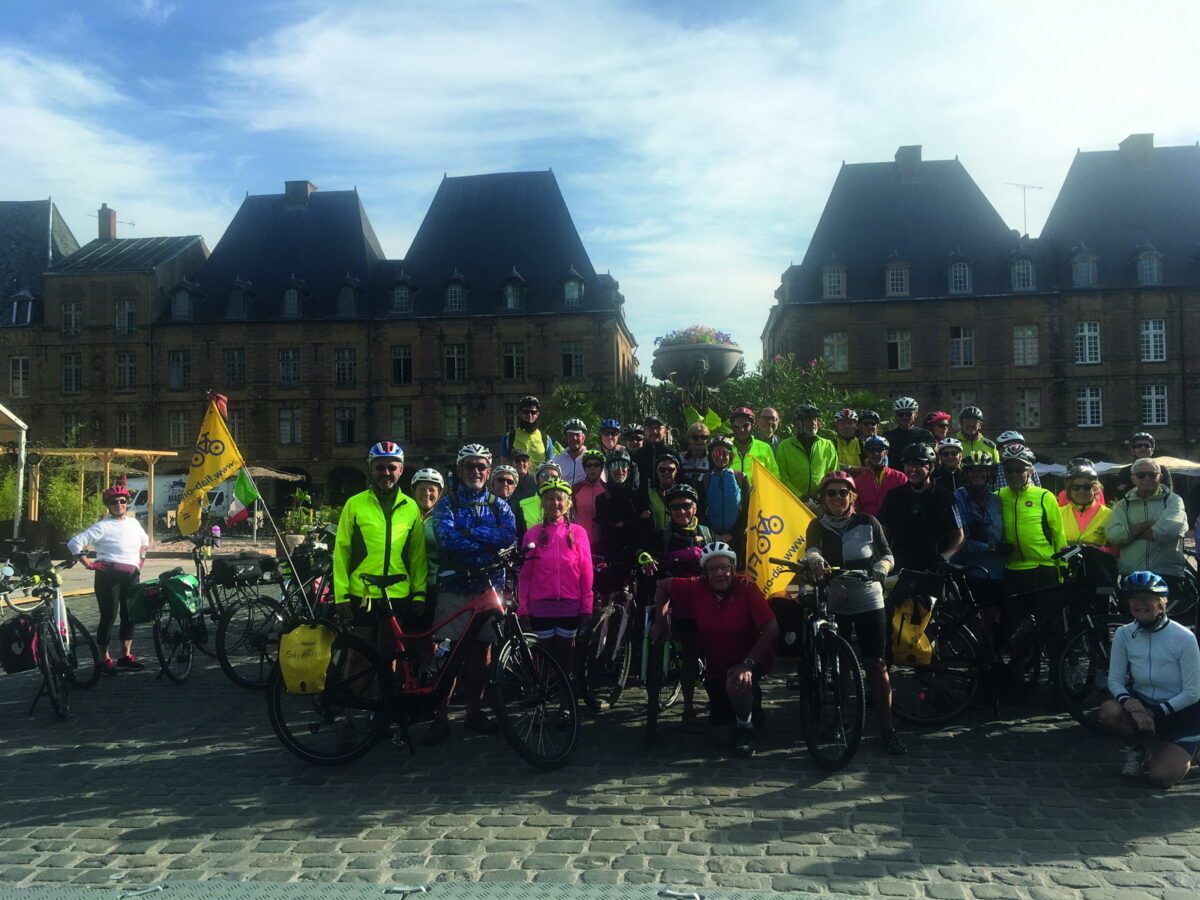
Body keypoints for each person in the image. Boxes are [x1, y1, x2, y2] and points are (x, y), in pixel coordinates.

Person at [804, 471, 906, 755]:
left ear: (853, 497)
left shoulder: (868, 522)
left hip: (868, 598)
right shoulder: (817, 525)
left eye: (843, 492)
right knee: (841, 666)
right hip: (836, 598)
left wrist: (881, 569)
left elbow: (887, 554)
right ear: (823, 498)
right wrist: (816, 561)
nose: (838, 497)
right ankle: (841, 720)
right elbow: (811, 549)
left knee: (876, 664)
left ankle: (887, 728)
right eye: (832, 493)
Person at [651, 542, 779, 756]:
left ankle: (746, 728)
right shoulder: (695, 586)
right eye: (712, 569)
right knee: (723, 738)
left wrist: (748, 664)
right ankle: (748, 709)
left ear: (733, 567)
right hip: (717, 668)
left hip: (748, 660)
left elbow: (772, 628)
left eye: (724, 567)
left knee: (737, 681)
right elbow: (663, 586)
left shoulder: (747, 588)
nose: (719, 573)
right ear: (705, 573)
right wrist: (660, 620)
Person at [428, 444, 517, 743]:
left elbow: (508, 536)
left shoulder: (499, 505)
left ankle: (474, 712)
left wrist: (468, 534)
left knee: (482, 652)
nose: (475, 471)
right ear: (459, 469)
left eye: (481, 466)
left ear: (489, 471)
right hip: (453, 587)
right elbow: (446, 539)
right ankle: (439, 717)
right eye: (469, 466)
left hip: (488, 588)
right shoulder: (446, 503)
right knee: (447, 655)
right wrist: (485, 541)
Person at [1099, 572, 1200, 787]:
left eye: (1148, 599)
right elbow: (1114, 680)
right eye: (1135, 599)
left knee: (1160, 778)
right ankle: (1138, 749)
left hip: (1181, 713)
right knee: (1109, 711)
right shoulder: (1124, 634)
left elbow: (1193, 692)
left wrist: (1153, 712)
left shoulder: (1184, 637)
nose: (1140, 604)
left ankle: (1190, 749)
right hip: (1143, 706)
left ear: (1162, 602)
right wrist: (1131, 704)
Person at [333, 442, 428, 648]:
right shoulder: (354, 504)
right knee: (358, 656)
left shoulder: (411, 507)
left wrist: (419, 592)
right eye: (380, 467)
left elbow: (417, 555)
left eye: (392, 467)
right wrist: (341, 595)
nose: (386, 472)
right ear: (371, 468)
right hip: (361, 592)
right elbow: (342, 552)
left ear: (401, 470)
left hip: (397, 591)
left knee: (390, 654)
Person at [640, 482, 714, 732]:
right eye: (675, 507)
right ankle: (689, 708)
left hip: (707, 598)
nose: (681, 511)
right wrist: (643, 556)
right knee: (690, 655)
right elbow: (637, 549)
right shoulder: (662, 536)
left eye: (686, 506)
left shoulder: (707, 533)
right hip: (674, 599)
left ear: (695, 508)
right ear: (669, 511)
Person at [518, 477, 594, 710]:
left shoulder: (579, 533)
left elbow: (586, 571)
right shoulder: (532, 534)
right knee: (543, 658)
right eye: (550, 498)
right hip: (540, 605)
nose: (555, 503)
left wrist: (587, 606)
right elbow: (525, 575)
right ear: (542, 503)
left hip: (569, 604)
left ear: (568, 503)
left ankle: (564, 703)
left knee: (565, 658)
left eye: (560, 498)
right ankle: (542, 702)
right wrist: (523, 607)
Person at [67, 484, 150, 674]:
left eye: (122, 501)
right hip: (108, 577)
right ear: (108, 505)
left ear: (127, 503)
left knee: (130, 616)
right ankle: (104, 658)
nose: (119, 505)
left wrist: (141, 560)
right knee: (108, 616)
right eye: (114, 502)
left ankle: (125, 656)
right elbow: (74, 543)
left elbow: (145, 542)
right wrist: (88, 563)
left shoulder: (133, 523)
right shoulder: (102, 526)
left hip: (131, 575)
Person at [995, 443, 1066, 646]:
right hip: (1012, 571)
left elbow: (1058, 536)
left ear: (1030, 470)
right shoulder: (999, 496)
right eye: (1009, 469)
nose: (1015, 474)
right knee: (1015, 629)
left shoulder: (1044, 496)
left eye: (1020, 469)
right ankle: (1020, 673)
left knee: (1050, 626)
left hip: (1043, 570)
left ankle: (1055, 672)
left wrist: (1063, 569)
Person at [1107, 458, 1190, 600]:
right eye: (1141, 475)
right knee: (1131, 619)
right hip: (1133, 575)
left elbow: (1173, 530)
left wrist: (1131, 533)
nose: (1146, 478)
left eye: (1152, 474)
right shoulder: (1123, 505)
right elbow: (1113, 535)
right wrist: (1147, 524)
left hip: (1167, 573)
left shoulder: (1173, 500)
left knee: (1167, 620)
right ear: (1133, 479)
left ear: (1160, 477)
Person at [877, 442, 963, 572]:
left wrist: (945, 556)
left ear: (931, 467)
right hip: (900, 568)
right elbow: (883, 532)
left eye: (918, 464)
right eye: (908, 464)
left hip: (933, 569)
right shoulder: (893, 496)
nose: (912, 469)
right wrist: (884, 558)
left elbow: (959, 536)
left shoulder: (945, 497)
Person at [952, 452, 1005, 648]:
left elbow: (1002, 531)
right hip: (970, 567)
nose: (977, 474)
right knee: (973, 618)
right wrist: (989, 546)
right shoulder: (957, 497)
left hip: (996, 569)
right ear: (965, 474)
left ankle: (988, 652)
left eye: (982, 470)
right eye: (972, 471)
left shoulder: (996, 500)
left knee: (992, 617)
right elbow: (960, 539)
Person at [776, 403, 838, 503]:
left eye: (815, 420)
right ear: (797, 423)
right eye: (809, 420)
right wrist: (800, 497)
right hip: (793, 501)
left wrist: (822, 495)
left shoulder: (828, 445)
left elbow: (833, 474)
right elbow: (781, 476)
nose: (813, 423)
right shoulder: (785, 446)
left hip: (821, 501)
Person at [1059, 462, 1116, 556]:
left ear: (1094, 489)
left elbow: (1116, 550)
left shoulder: (1109, 515)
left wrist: (1095, 551)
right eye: (1075, 487)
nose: (1081, 491)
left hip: (1097, 566)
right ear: (1069, 491)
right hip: (1065, 567)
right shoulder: (1059, 513)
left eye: (1087, 487)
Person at [700, 435, 747, 548]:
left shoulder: (740, 477)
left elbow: (747, 509)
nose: (720, 457)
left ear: (730, 455)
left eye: (724, 453)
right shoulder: (704, 479)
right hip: (711, 538)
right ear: (710, 456)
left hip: (736, 538)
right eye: (715, 453)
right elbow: (700, 510)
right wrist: (712, 535)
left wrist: (733, 534)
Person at [1103, 432, 1174, 504]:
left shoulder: (1163, 470)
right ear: (1133, 451)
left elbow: (1167, 494)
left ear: (1152, 450)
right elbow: (1123, 497)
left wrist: (1129, 488)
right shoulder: (1125, 471)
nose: (1143, 448)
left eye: (1147, 445)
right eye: (1139, 446)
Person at [853, 435, 907, 518]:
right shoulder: (859, 481)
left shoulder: (900, 477)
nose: (875, 453)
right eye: (871, 450)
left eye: (879, 449)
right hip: (868, 526)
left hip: (894, 524)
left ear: (886, 452)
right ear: (867, 453)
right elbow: (856, 509)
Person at [728, 406, 780, 484]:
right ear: (732, 426)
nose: (741, 429)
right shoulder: (725, 447)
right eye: (737, 426)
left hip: (758, 495)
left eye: (746, 426)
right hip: (731, 495)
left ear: (752, 426)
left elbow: (775, 478)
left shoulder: (765, 447)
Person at [500, 395, 556, 466]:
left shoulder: (546, 439)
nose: (529, 415)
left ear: (537, 415)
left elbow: (550, 466)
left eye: (533, 412)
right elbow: (504, 465)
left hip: (539, 477)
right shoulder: (509, 437)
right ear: (520, 413)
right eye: (526, 412)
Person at [572, 448, 607, 549]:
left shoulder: (607, 488)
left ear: (601, 468)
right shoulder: (575, 488)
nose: (592, 468)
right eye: (589, 465)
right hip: (580, 541)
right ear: (584, 468)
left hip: (603, 541)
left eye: (596, 465)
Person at [518, 460, 562, 539]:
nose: (549, 479)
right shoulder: (523, 505)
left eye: (554, 477)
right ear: (537, 479)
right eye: (544, 475)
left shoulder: (566, 504)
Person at [633, 415, 673, 492]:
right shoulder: (637, 455)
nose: (654, 431)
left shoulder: (672, 454)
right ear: (644, 432)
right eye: (650, 428)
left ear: (664, 431)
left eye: (658, 428)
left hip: (667, 501)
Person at [646, 451, 683, 530]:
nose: (666, 472)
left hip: (677, 537)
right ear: (656, 471)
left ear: (676, 471)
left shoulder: (683, 494)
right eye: (662, 470)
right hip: (656, 538)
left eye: (670, 469)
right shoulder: (649, 493)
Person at [552, 418, 591, 485]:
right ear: (566, 438)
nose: (574, 438)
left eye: (577, 435)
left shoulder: (591, 459)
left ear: (583, 438)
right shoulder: (557, 461)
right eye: (571, 435)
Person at [679, 422, 712, 489]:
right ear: (689, 439)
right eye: (695, 437)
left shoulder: (711, 458)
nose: (699, 440)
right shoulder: (681, 458)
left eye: (703, 437)